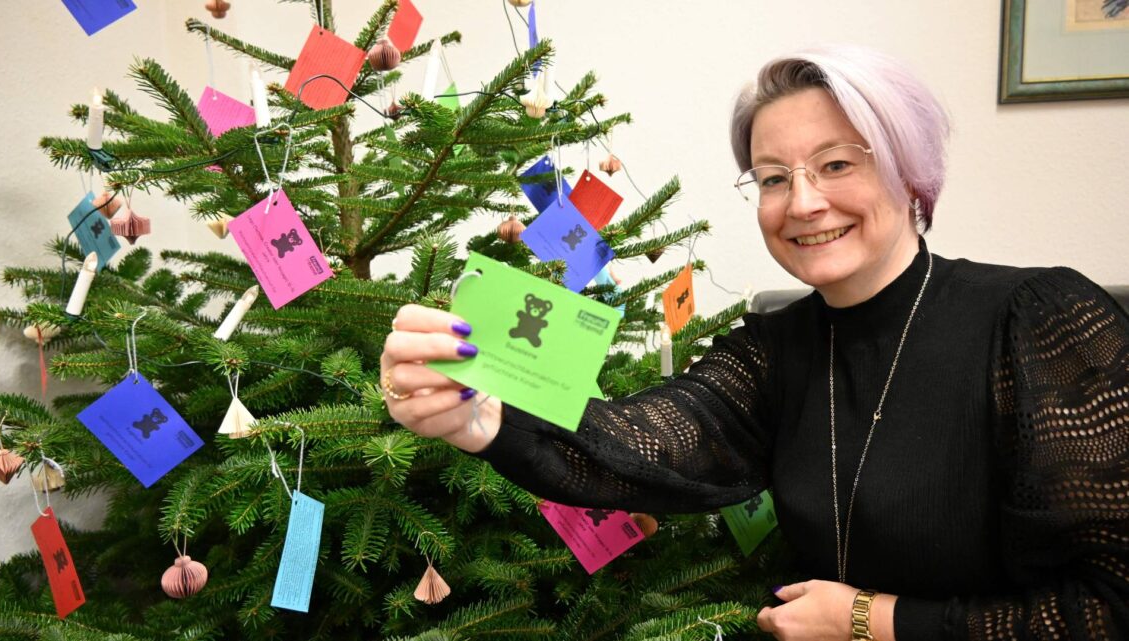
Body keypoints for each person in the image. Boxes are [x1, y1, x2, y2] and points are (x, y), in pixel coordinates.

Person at [379, 45, 1129, 641]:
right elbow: (650, 443)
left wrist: (875, 619)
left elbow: (1112, 605)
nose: (802, 202)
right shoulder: (775, 348)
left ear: (909, 171)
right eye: (773, 177)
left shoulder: (1040, 322)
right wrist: (488, 418)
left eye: (837, 163)